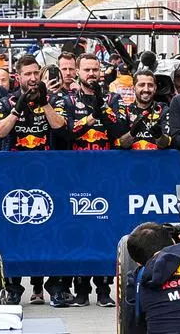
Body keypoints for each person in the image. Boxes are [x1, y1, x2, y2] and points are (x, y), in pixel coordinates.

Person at [0, 55, 67, 305]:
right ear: (18, 76)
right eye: (28, 74)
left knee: (51, 231)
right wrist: (17, 109)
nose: (33, 78)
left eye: (36, 73)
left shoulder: (55, 99)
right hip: (14, 178)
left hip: (49, 176)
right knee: (15, 231)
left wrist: (45, 104)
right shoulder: (5, 100)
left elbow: (60, 127)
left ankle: (54, 286)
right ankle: (13, 287)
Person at [66, 53, 120, 308]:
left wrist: (102, 108)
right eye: (87, 69)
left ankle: (103, 288)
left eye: (95, 70)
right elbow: (64, 133)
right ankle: (80, 289)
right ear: (77, 72)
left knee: (104, 230)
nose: (92, 74)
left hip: (106, 174)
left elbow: (120, 132)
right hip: (77, 174)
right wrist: (89, 119)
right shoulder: (66, 99)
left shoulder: (112, 98)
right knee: (79, 231)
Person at [115, 70, 170, 150]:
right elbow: (122, 144)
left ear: (155, 88)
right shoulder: (125, 110)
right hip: (132, 161)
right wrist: (131, 133)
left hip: (156, 161)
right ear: (133, 88)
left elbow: (165, 144)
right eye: (141, 85)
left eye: (150, 85)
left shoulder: (164, 110)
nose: (146, 89)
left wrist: (159, 136)